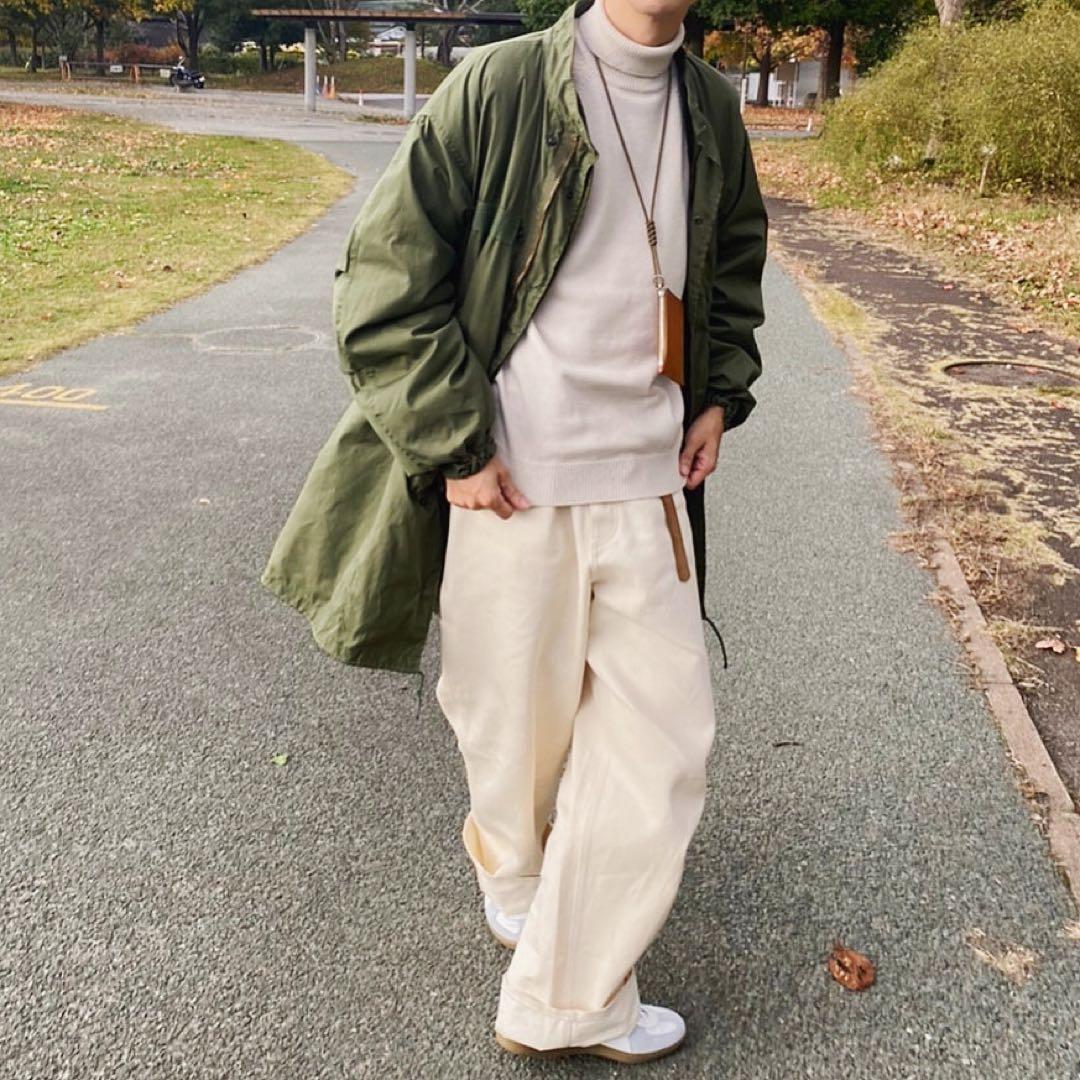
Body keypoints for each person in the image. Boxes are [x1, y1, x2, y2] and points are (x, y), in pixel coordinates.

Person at [261, 0, 767, 1065]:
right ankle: (515, 868)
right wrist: (456, 444)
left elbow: (730, 267)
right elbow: (386, 280)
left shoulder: (712, 108)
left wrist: (719, 394)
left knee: (663, 746)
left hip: (649, 486)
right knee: (512, 730)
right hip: (511, 487)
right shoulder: (499, 86)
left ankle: (570, 997)